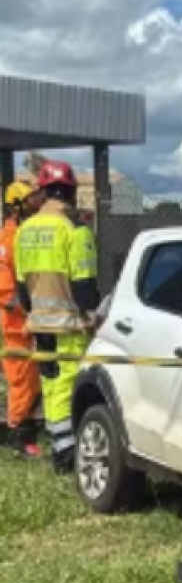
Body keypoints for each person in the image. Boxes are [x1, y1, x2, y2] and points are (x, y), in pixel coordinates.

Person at [15, 160, 102, 474]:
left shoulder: (24, 230)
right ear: (71, 191)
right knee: (73, 387)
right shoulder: (75, 231)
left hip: (39, 324)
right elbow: (84, 287)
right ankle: (69, 455)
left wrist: (36, 313)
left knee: (51, 389)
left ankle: (60, 449)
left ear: (43, 191)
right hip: (69, 326)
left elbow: (22, 288)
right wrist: (94, 317)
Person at [0, 180, 43, 458]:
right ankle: (17, 433)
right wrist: (21, 307)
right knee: (22, 378)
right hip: (14, 320)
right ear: (16, 206)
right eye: (30, 201)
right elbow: (6, 288)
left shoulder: (21, 233)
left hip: (23, 316)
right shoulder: (10, 238)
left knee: (32, 374)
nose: (36, 205)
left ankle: (23, 423)